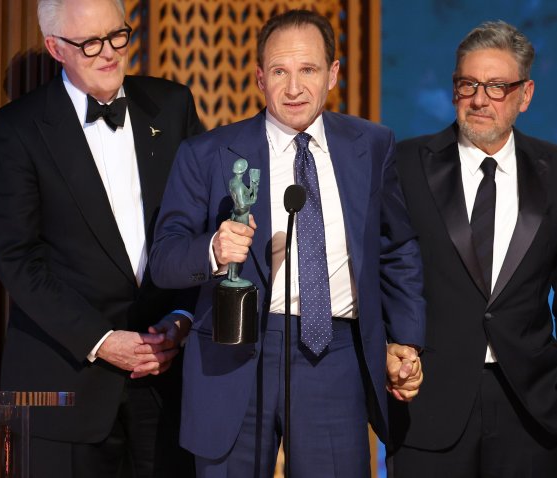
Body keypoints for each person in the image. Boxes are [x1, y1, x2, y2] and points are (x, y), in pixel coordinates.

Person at [148, 9, 426, 477]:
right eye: (279, 71)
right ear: (260, 78)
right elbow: (164, 259)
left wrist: (406, 338)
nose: (293, 88)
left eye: (308, 70)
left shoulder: (372, 144)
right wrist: (213, 250)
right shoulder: (208, 154)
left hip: (334, 352)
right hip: (234, 352)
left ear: (333, 74)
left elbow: (397, 247)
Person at [0, 0, 203, 475]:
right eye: (90, 44)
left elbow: (199, 227)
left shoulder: (173, 104)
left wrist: (183, 316)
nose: (109, 54)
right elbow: (19, 259)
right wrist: (102, 340)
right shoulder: (15, 130)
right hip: (67, 385)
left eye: (117, 36)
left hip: (167, 378)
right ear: (55, 48)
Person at [388, 20, 557, 477]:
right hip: (428, 402)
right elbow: (383, 274)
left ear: (526, 94)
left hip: (532, 407)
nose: (479, 99)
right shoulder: (405, 164)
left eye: (497, 87)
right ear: (454, 88)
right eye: (468, 84)